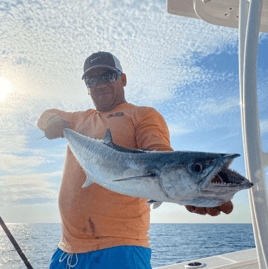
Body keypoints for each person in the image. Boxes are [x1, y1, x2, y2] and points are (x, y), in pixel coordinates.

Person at [37, 51, 233, 269]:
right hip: (66, 251)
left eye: (108, 76)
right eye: (92, 80)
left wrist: (188, 190)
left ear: (123, 79)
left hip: (121, 251)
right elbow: (45, 115)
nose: (100, 84)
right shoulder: (77, 120)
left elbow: (160, 155)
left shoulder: (143, 115)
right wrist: (52, 121)